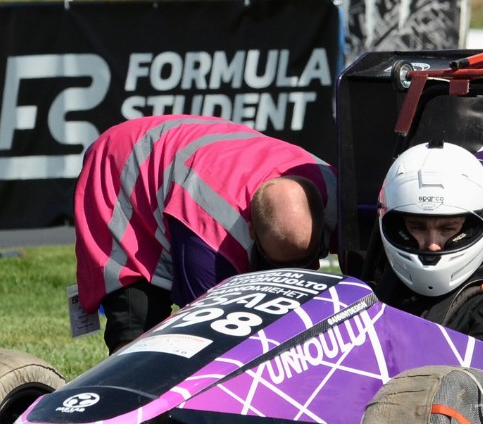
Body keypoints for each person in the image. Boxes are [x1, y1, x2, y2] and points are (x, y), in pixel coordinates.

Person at [75, 115, 337, 353]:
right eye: (276, 265)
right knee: (137, 333)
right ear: (251, 231)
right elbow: (209, 341)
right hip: (122, 168)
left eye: (307, 260)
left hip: (193, 162)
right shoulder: (209, 241)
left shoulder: (336, 190)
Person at [375, 140, 483, 361]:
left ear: (473, 226)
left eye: (448, 228)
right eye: (417, 227)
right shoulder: (375, 298)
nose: (432, 244)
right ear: (397, 226)